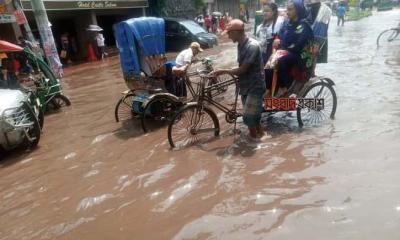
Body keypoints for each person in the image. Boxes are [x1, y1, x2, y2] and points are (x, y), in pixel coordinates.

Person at [213, 19, 266, 140]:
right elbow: (241, 67)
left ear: (237, 32)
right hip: (245, 84)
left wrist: (223, 71)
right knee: (254, 117)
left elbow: (243, 69)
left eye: (230, 33)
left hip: (255, 85)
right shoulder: (240, 45)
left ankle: (255, 140)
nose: (228, 36)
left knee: (248, 117)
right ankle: (259, 137)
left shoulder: (252, 46)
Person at [273, 0, 314, 96]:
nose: (287, 12)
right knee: (270, 60)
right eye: (287, 9)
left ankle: (285, 88)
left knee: (280, 59)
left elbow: (298, 44)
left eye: (290, 9)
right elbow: (280, 35)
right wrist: (277, 41)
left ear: (298, 10)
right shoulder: (287, 23)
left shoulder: (304, 25)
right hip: (287, 51)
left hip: (299, 55)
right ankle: (271, 88)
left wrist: (283, 48)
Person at [256, 3, 285, 96]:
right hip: (264, 48)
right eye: (264, 11)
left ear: (273, 12)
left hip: (275, 49)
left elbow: (282, 36)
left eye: (267, 11)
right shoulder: (261, 25)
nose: (265, 13)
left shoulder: (280, 22)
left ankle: (269, 89)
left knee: (268, 65)